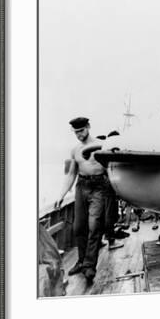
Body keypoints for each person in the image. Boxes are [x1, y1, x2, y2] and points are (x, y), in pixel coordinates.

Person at [54, 117, 108, 285]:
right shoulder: (74, 151)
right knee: (78, 227)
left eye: (82, 130)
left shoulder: (102, 145)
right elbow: (71, 174)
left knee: (94, 226)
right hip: (81, 186)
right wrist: (61, 195)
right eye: (76, 132)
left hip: (98, 187)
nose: (79, 135)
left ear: (88, 127)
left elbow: (111, 168)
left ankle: (90, 266)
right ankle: (81, 261)